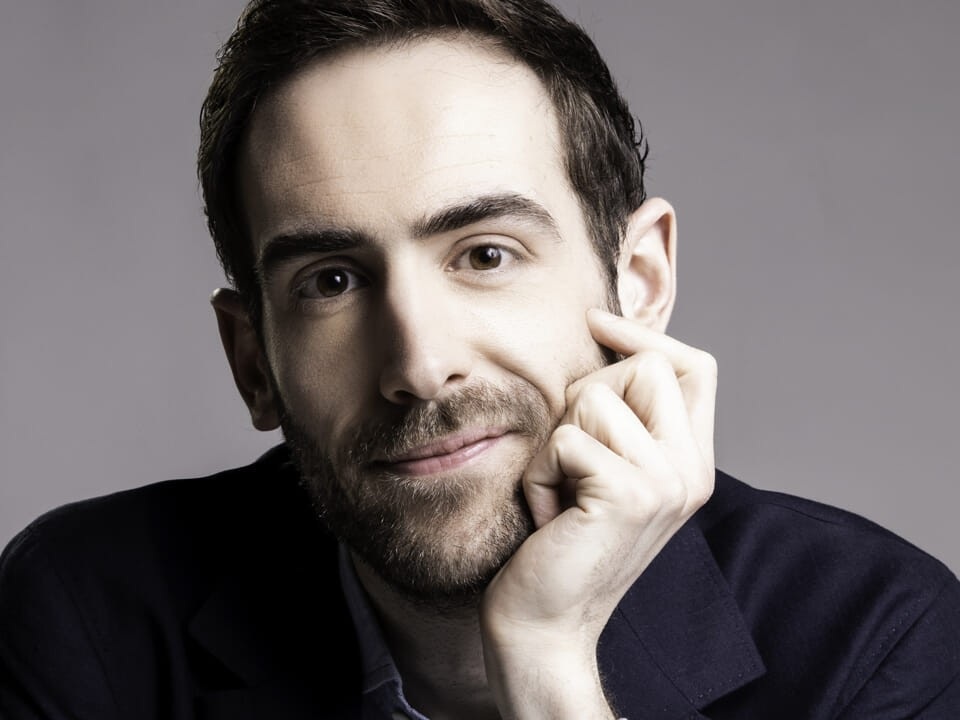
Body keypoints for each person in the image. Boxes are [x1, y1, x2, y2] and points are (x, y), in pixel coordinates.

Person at [1, 0, 958, 717]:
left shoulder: (877, 643)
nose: (420, 366)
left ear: (640, 281)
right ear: (253, 361)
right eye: (331, 282)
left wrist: (547, 661)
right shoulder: (85, 615)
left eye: (486, 255)